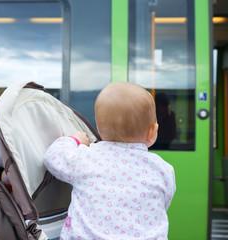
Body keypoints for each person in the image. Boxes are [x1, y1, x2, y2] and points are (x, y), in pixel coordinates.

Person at [44, 82, 176, 239]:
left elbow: (53, 156)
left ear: (99, 129)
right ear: (152, 131)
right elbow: (161, 203)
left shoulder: (86, 157)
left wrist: (75, 140)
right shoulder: (162, 168)